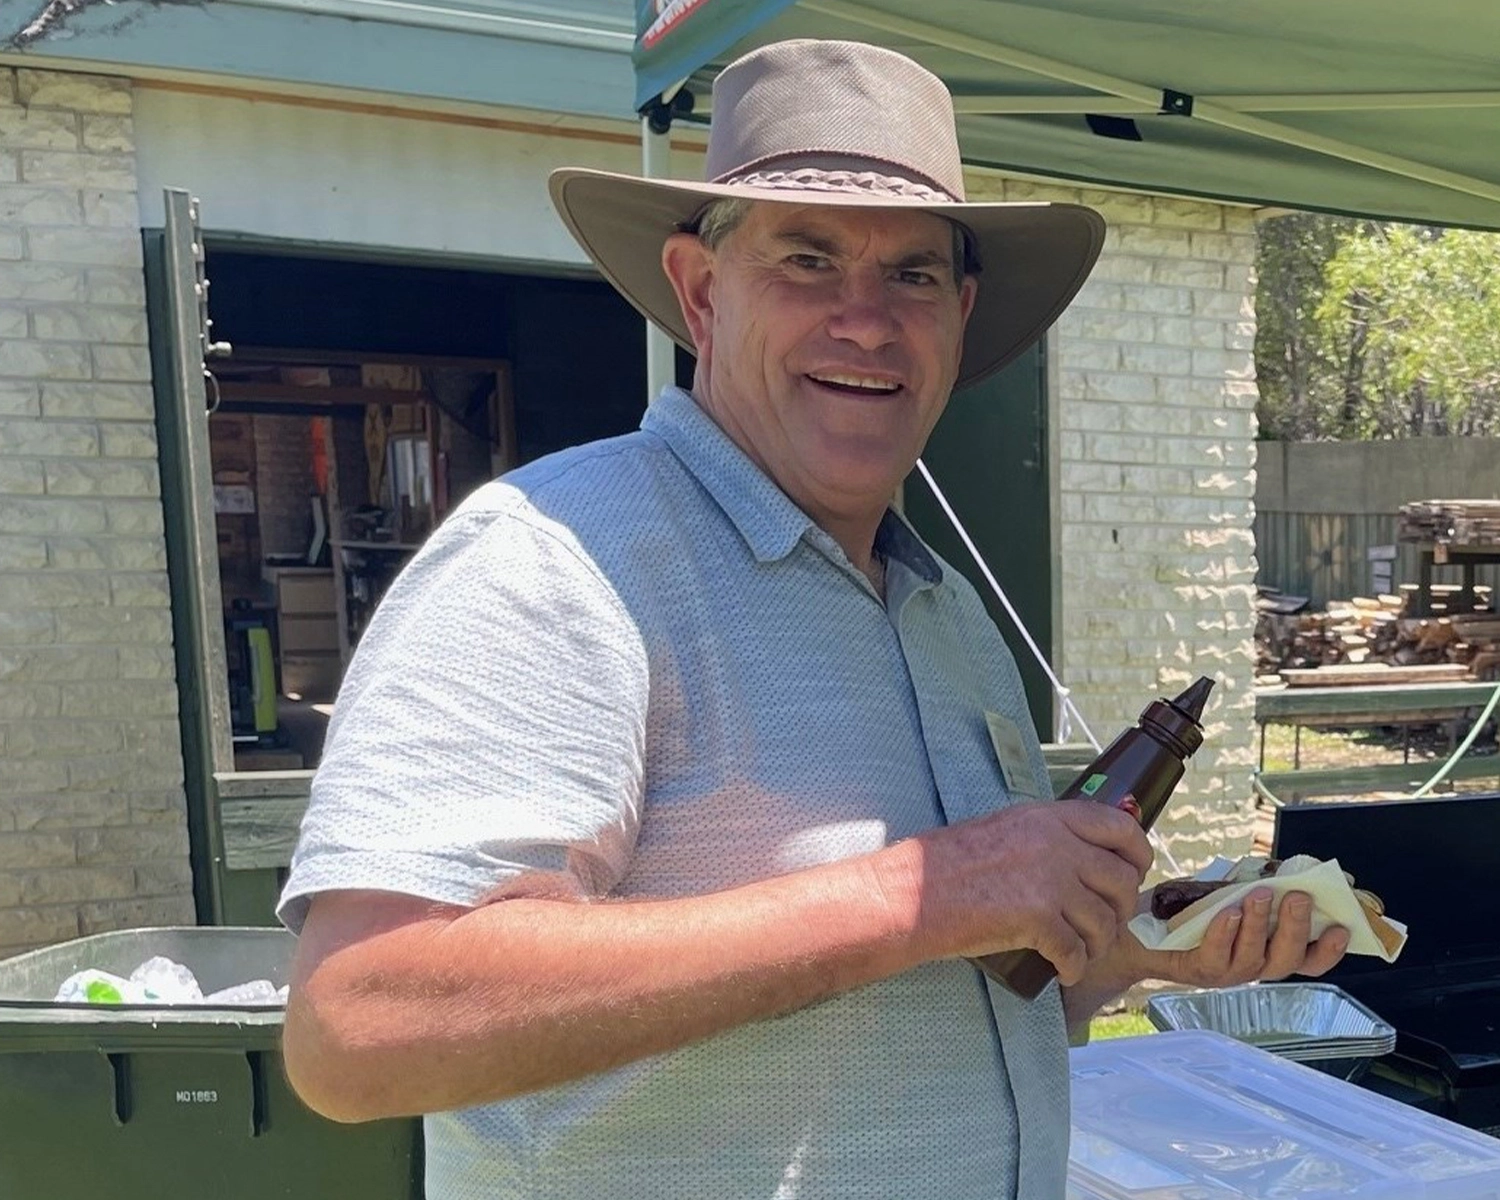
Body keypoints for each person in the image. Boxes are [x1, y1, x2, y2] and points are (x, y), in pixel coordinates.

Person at [278, 38, 1349, 1199]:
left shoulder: (942, 613)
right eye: (807, 256)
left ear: (961, 310)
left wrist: (1153, 947)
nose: (867, 319)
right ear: (700, 292)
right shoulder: (554, 562)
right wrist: (924, 890)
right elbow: (362, 1022)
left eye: (914, 276)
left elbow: (966, 984)